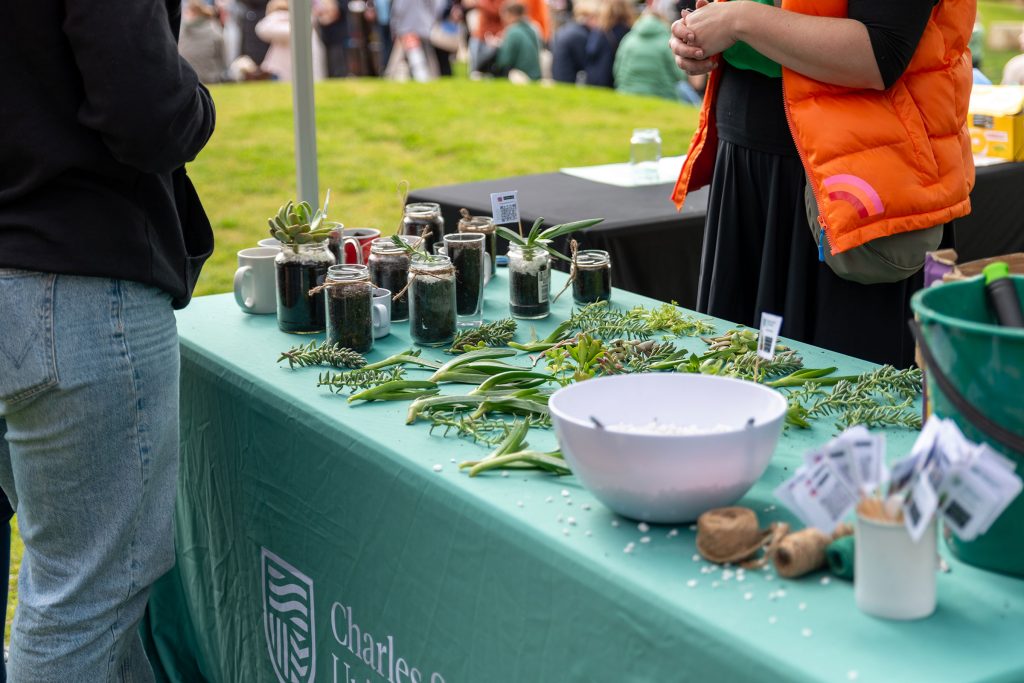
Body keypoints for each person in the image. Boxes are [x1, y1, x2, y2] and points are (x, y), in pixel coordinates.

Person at [0, 0, 215, 680]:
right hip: (74, 279)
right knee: (83, 599)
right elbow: (145, 110)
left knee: (91, 596)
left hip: (37, 272)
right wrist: (198, 102)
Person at [669, 0, 974, 368]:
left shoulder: (744, 22)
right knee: (737, 386)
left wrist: (739, 21)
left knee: (847, 398)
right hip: (749, 163)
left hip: (856, 177)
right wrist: (697, 34)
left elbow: (881, 51)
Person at [613, 0, 697, 102]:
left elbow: (617, 70)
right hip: (662, 95)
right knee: (686, 91)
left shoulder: (628, 39)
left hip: (626, 93)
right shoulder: (667, 41)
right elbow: (679, 75)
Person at [256, 0, 328, 80]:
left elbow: (261, 28)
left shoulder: (290, 23)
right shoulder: (303, 23)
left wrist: (276, 16)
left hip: (291, 75)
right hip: (292, 73)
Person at [584, 0, 634, 88]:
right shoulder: (629, 32)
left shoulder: (599, 31)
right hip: (616, 79)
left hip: (596, 79)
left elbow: (590, 51)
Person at [489, 0, 543, 80]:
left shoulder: (512, 31)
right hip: (536, 75)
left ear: (509, 14)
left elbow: (504, 61)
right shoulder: (533, 28)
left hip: (523, 76)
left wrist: (496, 48)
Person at [179, 0, 230, 83]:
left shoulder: (180, 32)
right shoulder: (215, 30)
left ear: (193, 13)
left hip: (186, 79)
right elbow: (223, 61)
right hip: (211, 79)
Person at [551, 0, 596, 84]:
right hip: (568, 81)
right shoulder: (580, 34)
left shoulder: (570, 29)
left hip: (558, 77)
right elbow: (584, 63)